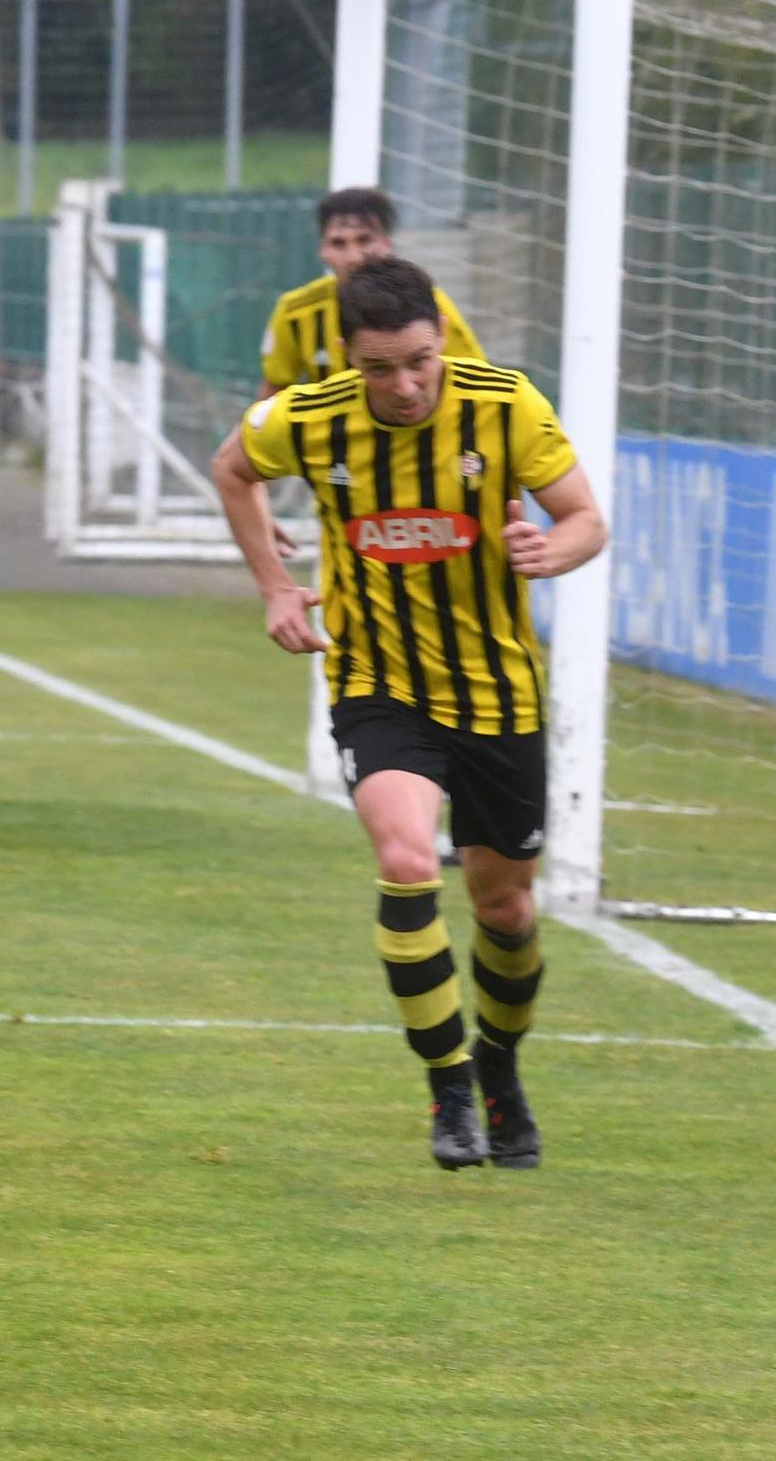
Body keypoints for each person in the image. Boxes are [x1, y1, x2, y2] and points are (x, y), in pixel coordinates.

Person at [210, 256, 607, 1171]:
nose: (405, 384)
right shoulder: (307, 418)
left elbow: (587, 517)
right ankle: (450, 1087)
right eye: (382, 367)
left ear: (441, 339)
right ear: (349, 358)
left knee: (504, 905)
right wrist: (273, 585)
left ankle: (501, 1068)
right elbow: (233, 469)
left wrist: (552, 549)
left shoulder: (505, 405)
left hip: (497, 690)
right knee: (402, 857)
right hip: (379, 685)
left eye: (420, 361)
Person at [256, 187, 485, 399]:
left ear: (386, 243)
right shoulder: (295, 311)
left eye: (365, 240)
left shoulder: (426, 303)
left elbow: (476, 382)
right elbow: (274, 390)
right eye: (338, 243)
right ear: (322, 250)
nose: (353, 256)